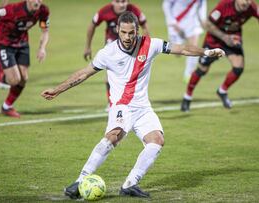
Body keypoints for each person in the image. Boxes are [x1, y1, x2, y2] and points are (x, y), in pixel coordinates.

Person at [42, 12, 224, 199]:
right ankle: (80, 181)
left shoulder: (150, 44)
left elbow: (182, 49)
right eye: (123, 32)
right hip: (122, 106)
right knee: (114, 135)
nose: (127, 37)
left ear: (137, 31)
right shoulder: (108, 53)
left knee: (157, 141)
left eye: (131, 33)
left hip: (143, 107)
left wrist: (207, 52)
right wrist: (58, 89)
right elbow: (83, 74)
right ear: (117, 31)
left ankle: (130, 184)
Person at [180, 0, 259, 111]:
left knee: (238, 67)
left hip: (233, 39)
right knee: (202, 70)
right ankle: (187, 97)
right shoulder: (224, 5)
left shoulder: (251, 7)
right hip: (214, 40)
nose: (247, 3)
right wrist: (224, 37)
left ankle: (222, 91)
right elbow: (208, 24)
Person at [0, 0, 50, 118]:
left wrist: (42, 48)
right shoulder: (13, 9)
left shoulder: (43, 11)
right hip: (4, 42)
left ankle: (6, 107)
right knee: (14, 80)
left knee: (23, 79)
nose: (38, 1)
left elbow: (45, 31)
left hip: (22, 43)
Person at [83, 0, 150, 109]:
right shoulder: (105, 11)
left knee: (131, 73)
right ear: (112, 2)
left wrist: (146, 46)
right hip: (112, 44)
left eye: (123, 1)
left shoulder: (134, 10)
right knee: (110, 75)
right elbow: (92, 25)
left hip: (131, 44)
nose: (121, 4)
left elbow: (145, 25)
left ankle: (132, 99)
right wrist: (87, 46)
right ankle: (111, 102)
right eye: (118, 1)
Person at [162, 0, 207, 82]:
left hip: (192, 22)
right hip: (177, 22)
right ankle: (173, 40)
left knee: (194, 47)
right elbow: (166, 4)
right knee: (177, 53)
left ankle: (189, 74)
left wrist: (202, 18)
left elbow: (202, 3)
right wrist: (171, 21)